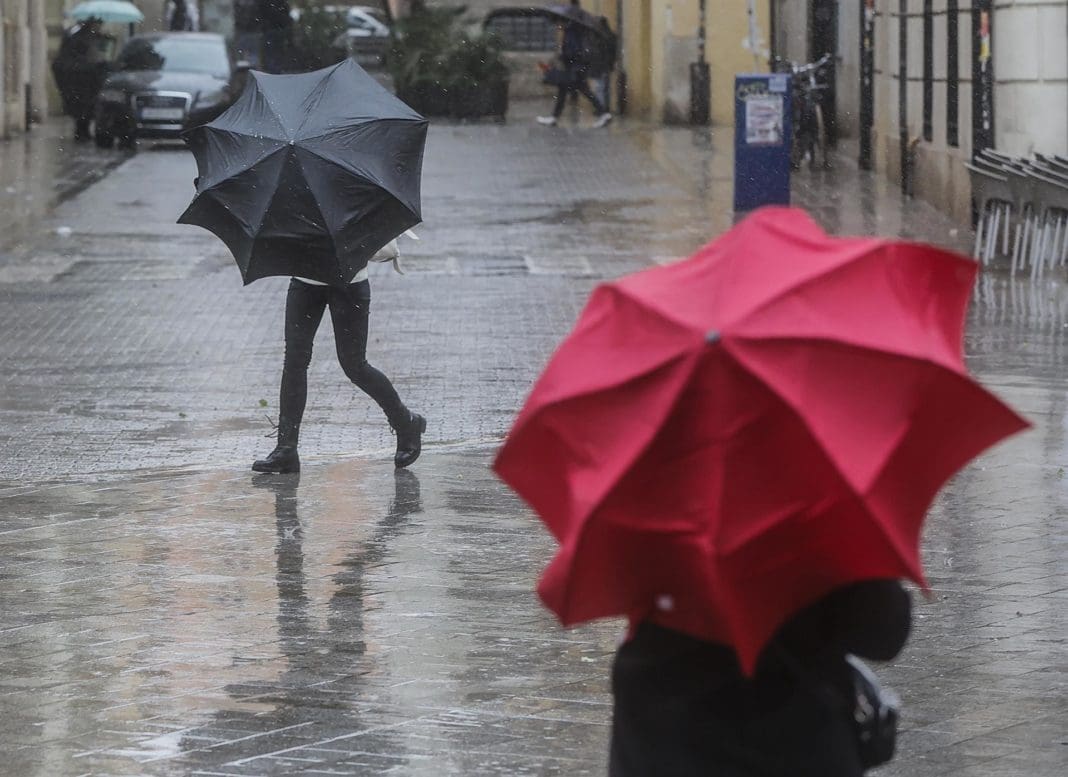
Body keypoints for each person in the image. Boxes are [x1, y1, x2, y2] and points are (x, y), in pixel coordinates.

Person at [610, 579, 912, 776]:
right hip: (792, 735)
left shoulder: (656, 515)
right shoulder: (815, 516)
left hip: (660, 729)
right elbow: (883, 633)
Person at [252, 238, 426, 474]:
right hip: (305, 280)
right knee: (294, 361)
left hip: (349, 283)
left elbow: (373, 240)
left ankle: (406, 422)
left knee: (354, 365)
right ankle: (286, 448)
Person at [536, 4, 612, 128]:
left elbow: (573, 51)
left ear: (563, 21)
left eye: (558, 22)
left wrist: (563, 56)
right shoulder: (574, 31)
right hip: (576, 67)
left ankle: (603, 113)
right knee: (568, 90)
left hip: (575, 68)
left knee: (583, 91)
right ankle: (554, 117)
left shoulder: (571, 32)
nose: (557, 25)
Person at [51, 17, 112, 142]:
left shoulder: (80, 36)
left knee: (84, 108)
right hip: (81, 78)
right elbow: (87, 57)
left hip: (81, 78)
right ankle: (82, 132)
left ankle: (82, 131)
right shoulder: (80, 37)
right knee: (83, 107)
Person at [589, 16, 617, 114]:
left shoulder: (598, 37)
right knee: (605, 88)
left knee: (599, 88)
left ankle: (601, 109)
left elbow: (596, 52)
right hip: (607, 66)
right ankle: (605, 107)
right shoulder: (611, 36)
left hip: (600, 66)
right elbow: (613, 52)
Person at [258, 0, 292, 74]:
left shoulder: (265, 3)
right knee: (276, 51)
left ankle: (274, 71)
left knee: (272, 51)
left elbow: (261, 12)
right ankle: (277, 70)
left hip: (271, 28)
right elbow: (286, 11)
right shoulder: (280, 3)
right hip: (278, 28)